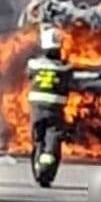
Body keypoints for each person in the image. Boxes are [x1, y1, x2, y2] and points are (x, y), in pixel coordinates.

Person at [27, 25, 72, 177]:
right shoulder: (64, 68)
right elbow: (69, 79)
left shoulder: (33, 64)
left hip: (36, 109)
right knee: (53, 136)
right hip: (55, 109)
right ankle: (47, 167)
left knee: (38, 138)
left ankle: (39, 163)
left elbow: (29, 75)